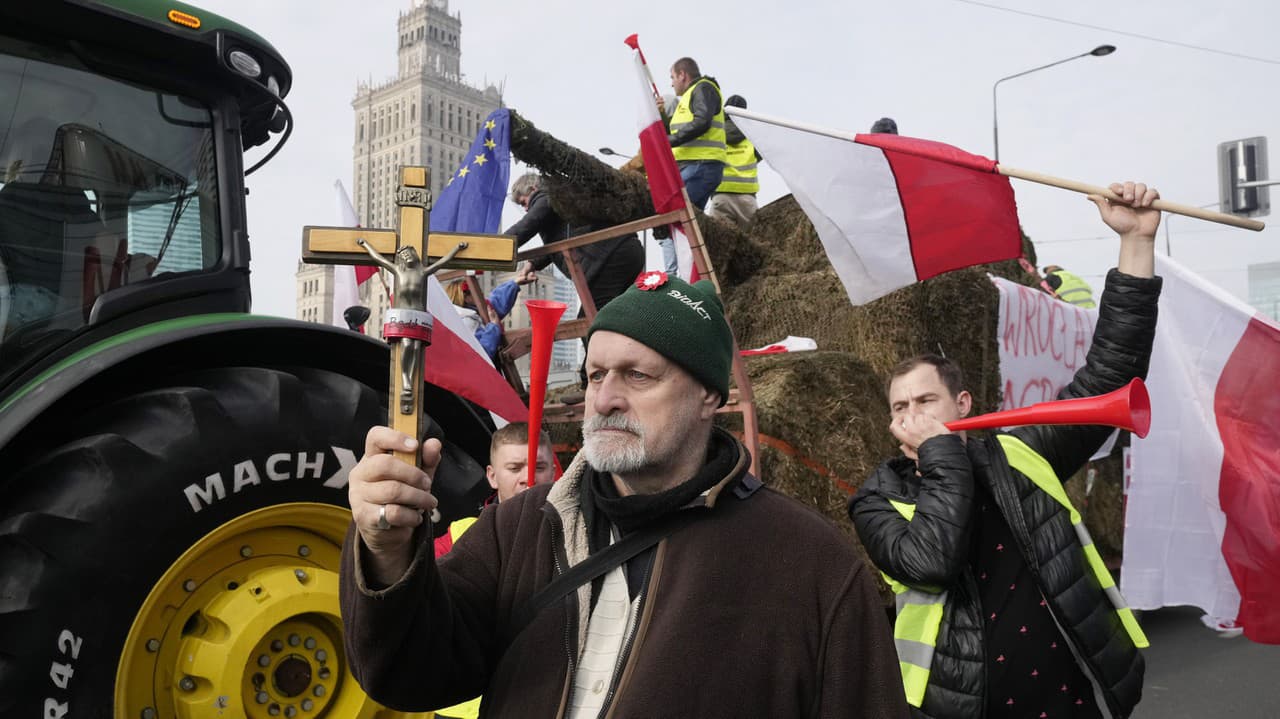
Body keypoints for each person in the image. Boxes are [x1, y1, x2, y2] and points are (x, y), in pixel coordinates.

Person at [339, 271, 909, 717]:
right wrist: (385, 553)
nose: (605, 398)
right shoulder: (521, 527)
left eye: (638, 376)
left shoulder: (809, 566)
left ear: (709, 396)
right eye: (595, 375)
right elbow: (411, 673)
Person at [849, 181, 1162, 719]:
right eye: (901, 408)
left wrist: (1136, 243)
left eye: (927, 400)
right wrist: (943, 455)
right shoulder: (877, 498)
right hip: (967, 707)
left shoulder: (1021, 453)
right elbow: (933, 563)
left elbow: (1111, 372)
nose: (913, 416)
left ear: (963, 404)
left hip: (1071, 695)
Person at [432, 421, 555, 719]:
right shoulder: (455, 539)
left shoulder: (579, 538)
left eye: (539, 467)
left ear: (553, 471)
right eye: (515, 468)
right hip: (462, 712)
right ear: (492, 476)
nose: (528, 478)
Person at [505, 173, 644, 318]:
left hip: (607, 259)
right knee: (618, 318)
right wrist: (533, 263)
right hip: (624, 250)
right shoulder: (563, 197)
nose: (526, 209)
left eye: (523, 202)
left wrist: (492, 247)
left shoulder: (547, 196)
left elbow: (527, 225)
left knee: (592, 324)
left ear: (533, 189)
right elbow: (562, 239)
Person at [657, 57, 726, 274]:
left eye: (672, 77)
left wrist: (670, 141)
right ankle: (691, 274)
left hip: (701, 165)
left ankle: (686, 277)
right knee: (683, 223)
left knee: (678, 218)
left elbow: (701, 121)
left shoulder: (703, 88)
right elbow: (684, 129)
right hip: (696, 166)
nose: (671, 83)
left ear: (682, 75)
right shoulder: (690, 97)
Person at [706, 94, 761, 229]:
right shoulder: (752, 136)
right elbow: (760, 155)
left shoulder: (715, 134)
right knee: (753, 245)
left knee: (718, 246)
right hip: (747, 200)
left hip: (721, 197)